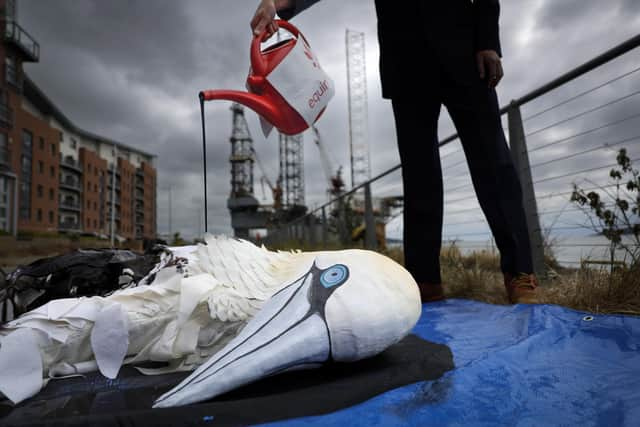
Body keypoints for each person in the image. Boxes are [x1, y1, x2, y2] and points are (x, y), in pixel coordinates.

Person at [251, 0, 539, 304]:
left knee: (494, 165)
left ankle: (520, 274)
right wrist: (275, 3)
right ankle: (424, 280)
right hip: (407, 64)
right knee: (419, 174)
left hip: (466, 53)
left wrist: (488, 43)